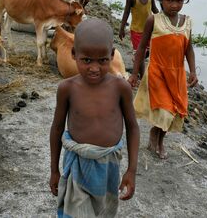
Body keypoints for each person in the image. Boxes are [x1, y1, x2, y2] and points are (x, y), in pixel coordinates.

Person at [50, 18, 140, 217]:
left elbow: (133, 127)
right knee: (76, 212)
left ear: (112, 54)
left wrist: (131, 170)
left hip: (109, 165)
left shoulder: (120, 88)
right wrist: (54, 170)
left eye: (102, 60)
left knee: (103, 211)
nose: (94, 68)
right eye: (86, 60)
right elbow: (57, 128)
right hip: (78, 164)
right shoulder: (67, 88)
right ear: (74, 54)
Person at [128, 0, 197, 159]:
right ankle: (154, 135)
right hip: (157, 72)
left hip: (177, 74)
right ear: (161, 0)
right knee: (165, 111)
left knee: (175, 111)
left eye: (179, 0)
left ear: (184, 0)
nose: (174, 5)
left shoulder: (187, 22)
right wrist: (134, 73)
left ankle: (159, 139)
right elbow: (142, 48)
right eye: (170, 0)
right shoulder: (154, 20)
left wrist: (194, 71)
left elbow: (188, 48)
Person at [119, 0, 159, 79]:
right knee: (140, 54)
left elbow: (154, 10)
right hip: (136, 31)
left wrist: (163, 18)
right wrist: (121, 28)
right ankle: (142, 76)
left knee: (150, 52)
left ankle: (147, 70)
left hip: (150, 29)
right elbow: (126, 13)